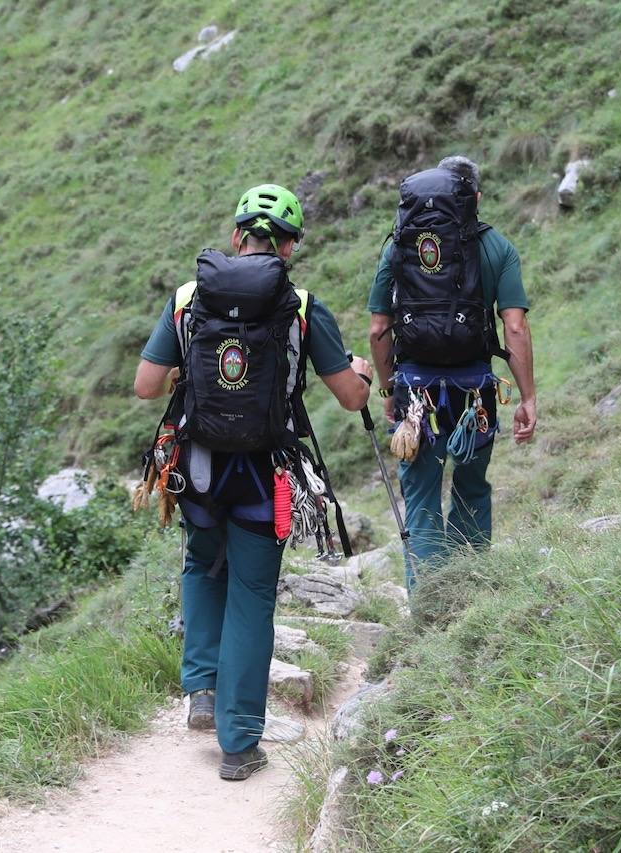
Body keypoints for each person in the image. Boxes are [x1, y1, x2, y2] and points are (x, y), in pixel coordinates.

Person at [135, 184, 372, 781]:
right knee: (252, 594)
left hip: (196, 467)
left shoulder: (189, 300)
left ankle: (202, 691)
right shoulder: (301, 307)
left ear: (238, 235)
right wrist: (362, 373)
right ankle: (238, 745)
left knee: (201, 566)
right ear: (287, 247)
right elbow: (349, 397)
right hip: (267, 475)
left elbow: (145, 384)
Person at [368, 155, 536, 591]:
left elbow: (379, 327)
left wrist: (388, 389)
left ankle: (427, 604)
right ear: (474, 198)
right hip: (475, 393)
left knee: (421, 495)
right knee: (470, 486)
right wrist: (528, 397)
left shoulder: (399, 244)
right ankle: (471, 596)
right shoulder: (497, 247)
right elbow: (514, 326)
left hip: (414, 395)